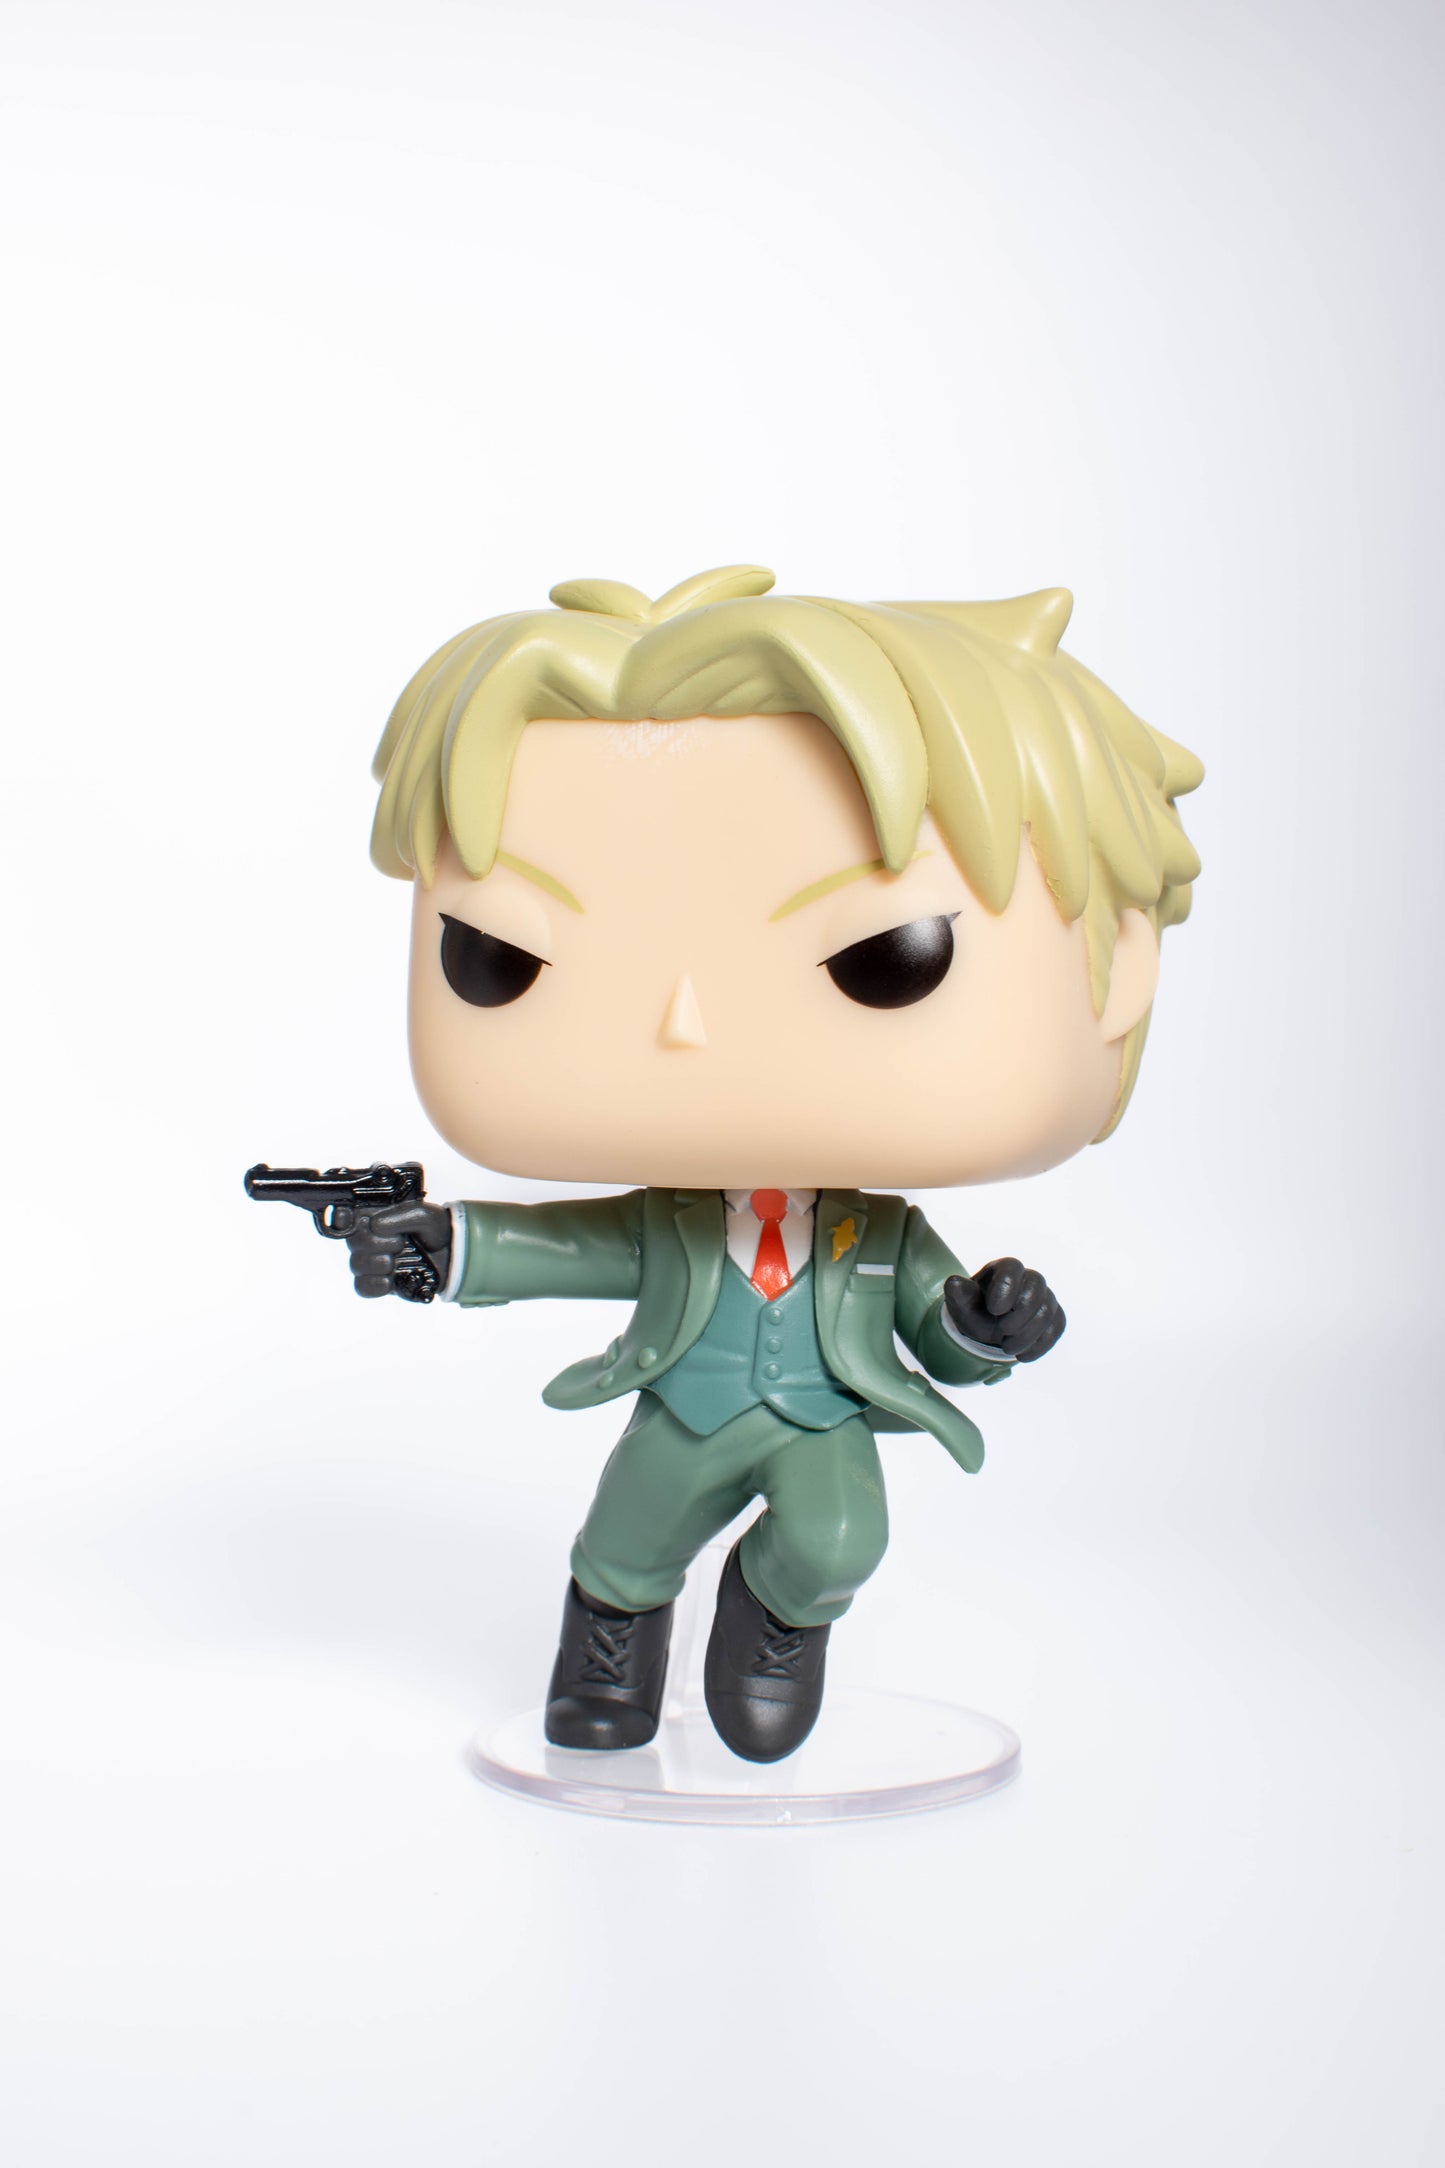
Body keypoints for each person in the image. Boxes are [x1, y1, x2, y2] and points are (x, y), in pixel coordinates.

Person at [341, 564, 1203, 1761]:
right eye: (499, 956)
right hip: (683, 1410)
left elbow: (935, 1325)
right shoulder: (669, 1218)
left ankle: (776, 1618)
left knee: (841, 1534)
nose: (684, 1026)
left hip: (817, 1417)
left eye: (885, 957)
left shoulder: (879, 1234)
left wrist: (985, 1323)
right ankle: (607, 1642)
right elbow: (573, 1246)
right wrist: (447, 1247)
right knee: (628, 1537)